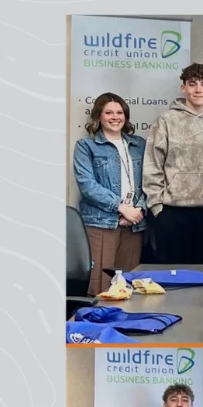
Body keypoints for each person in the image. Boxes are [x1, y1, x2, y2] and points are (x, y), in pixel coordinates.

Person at [143, 63, 203, 264]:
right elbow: (152, 164)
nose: (198, 89)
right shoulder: (166, 120)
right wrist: (157, 207)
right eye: (192, 84)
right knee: (173, 279)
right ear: (183, 88)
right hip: (172, 213)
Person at [73, 92, 147, 295]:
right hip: (101, 223)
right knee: (102, 286)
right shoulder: (85, 146)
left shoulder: (139, 145)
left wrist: (138, 209)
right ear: (98, 116)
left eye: (119, 112)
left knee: (130, 285)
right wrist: (121, 208)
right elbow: (87, 185)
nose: (115, 117)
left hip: (134, 224)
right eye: (108, 112)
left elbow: (150, 180)